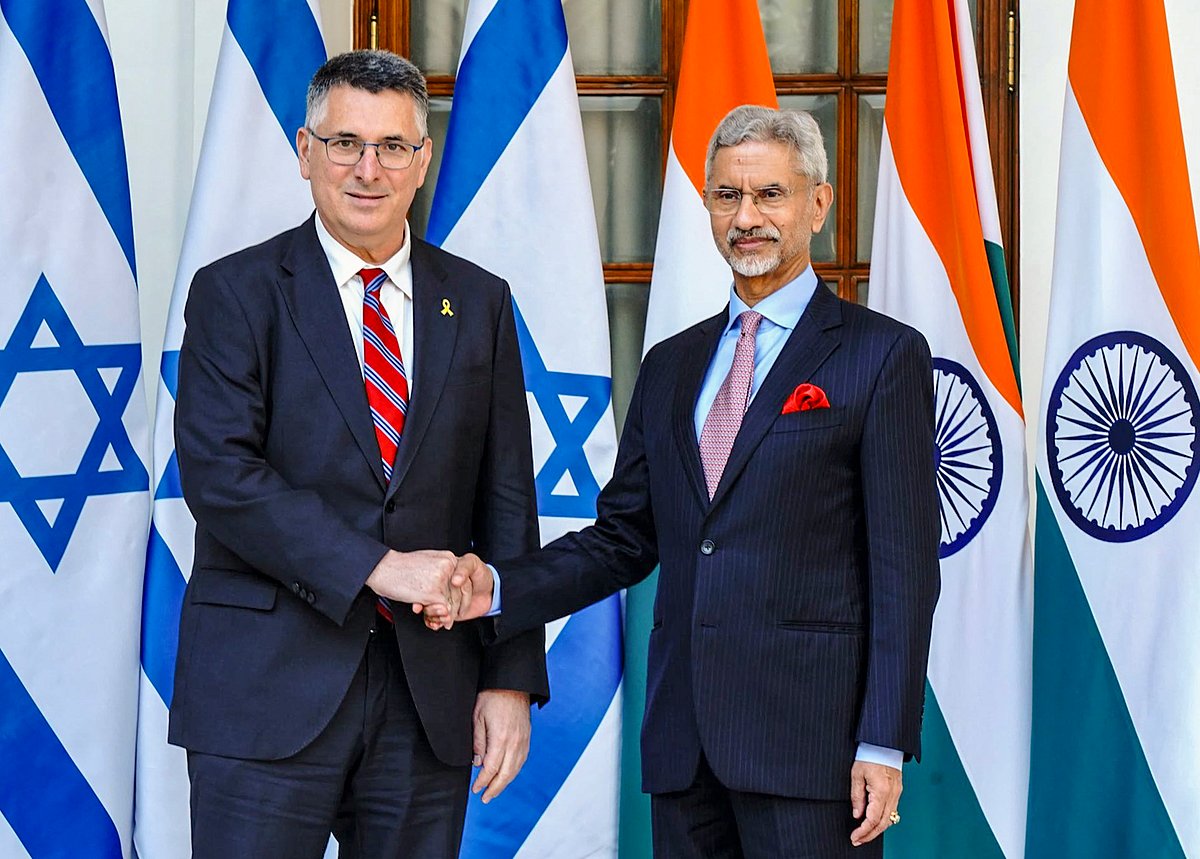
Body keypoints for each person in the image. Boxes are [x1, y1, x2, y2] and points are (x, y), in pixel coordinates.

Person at [430, 105, 941, 857]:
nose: (747, 218)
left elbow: (904, 568)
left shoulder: (882, 355)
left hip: (814, 751)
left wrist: (883, 742)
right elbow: (623, 539)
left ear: (818, 204)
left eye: (770, 194)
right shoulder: (670, 363)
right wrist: (498, 587)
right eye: (728, 196)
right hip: (685, 746)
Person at [169, 50, 547, 859]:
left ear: (423, 159)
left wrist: (510, 675)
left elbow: (508, 501)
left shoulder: (478, 300)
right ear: (306, 152)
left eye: (392, 147)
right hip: (265, 689)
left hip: (428, 695)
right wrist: (380, 567)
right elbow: (223, 478)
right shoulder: (234, 292)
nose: (368, 169)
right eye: (345, 143)